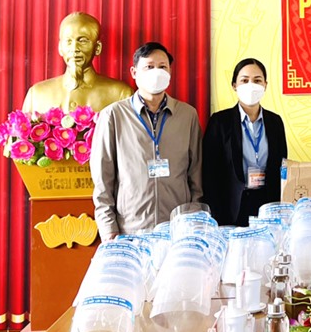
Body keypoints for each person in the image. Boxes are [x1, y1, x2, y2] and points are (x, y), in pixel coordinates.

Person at [90, 42, 203, 240]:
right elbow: (102, 177)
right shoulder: (114, 115)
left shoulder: (187, 115)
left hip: (177, 229)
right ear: (134, 72)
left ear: (170, 72)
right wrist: (108, 228)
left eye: (162, 67)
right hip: (130, 229)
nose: (156, 72)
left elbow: (196, 173)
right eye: (149, 67)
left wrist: (193, 219)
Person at [201, 58, 288, 226]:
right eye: (244, 80)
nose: (251, 85)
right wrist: (215, 213)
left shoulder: (275, 122)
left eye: (257, 80)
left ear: (265, 85)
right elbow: (210, 173)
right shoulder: (220, 122)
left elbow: (282, 167)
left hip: (268, 205)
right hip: (232, 207)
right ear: (234, 85)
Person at [22, 11, 132, 113]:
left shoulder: (121, 94)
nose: (74, 48)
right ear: (60, 47)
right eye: (68, 41)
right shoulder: (36, 94)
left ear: (97, 48)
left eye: (83, 41)